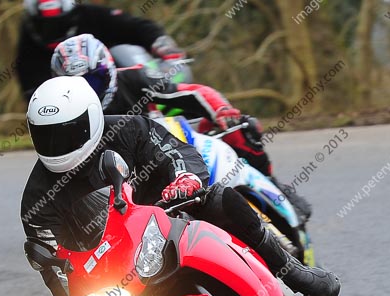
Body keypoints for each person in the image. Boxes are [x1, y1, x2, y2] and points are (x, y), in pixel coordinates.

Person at [20, 76, 339, 296]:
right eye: (46, 136)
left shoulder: (128, 128)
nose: (56, 146)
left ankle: (292, 271)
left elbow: (175, 151)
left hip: (174, 214)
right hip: (119, 267)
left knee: (223, 200)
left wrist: (185, 178)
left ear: (92, 118)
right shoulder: (37, 199)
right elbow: (51, 260)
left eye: (67, 134)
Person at [49, 34, 313, 220]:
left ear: (109, 70)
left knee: (243, 128)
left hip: (167, 149)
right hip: (121, 181)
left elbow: (191, 93)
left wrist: (223, 112)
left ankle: (278, 189)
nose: (89, 91)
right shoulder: (62, 114)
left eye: (94, 80)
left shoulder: (134, 77)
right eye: (75, 85)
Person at [17, 0, 184, 101]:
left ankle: (159, 90)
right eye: (44, 25)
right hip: (74, 105)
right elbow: (32, 88)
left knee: (122, 51)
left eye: (58, 23)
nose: (52, 31)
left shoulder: (93, 15)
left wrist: (162, 44)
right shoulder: (28, 44)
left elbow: (136, 26)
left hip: (121, 88)